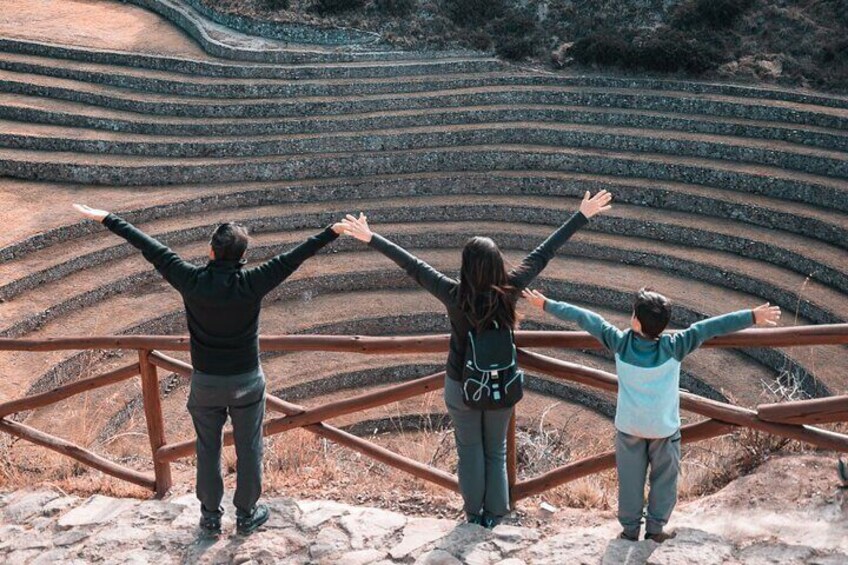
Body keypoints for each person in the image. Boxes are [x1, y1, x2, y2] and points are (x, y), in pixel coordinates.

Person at [339, 190, 613, 527]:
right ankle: (496, 515)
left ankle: (473, 515)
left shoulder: (454, 294)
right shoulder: (510, 290)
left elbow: (413, 266)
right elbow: (543, 254)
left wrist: (372, 238)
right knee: (496, 452)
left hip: (461, 384)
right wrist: (581, 215)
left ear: (466, 267)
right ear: (498, 264)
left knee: (469, 451)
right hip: (502, 386)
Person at [72, 204, 343, 535]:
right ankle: (246, 514)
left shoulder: (191, 280)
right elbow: (294, 257)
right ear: (242, 255)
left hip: (206, 383)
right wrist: (332, 232)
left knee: (208, 448)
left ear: (211, 251)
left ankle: (210, 517)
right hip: (246, 380)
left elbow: (149, 246)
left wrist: (107, 218)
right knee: (250, 448)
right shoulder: (254, 281)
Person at [523, 287, 781, 542]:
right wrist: (751, 316)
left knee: (630, 482)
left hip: (630, 428)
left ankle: (629, 530)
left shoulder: (620, 343)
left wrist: (547, 304)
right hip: (663, 430)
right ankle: (655, 529)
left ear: (635, 321)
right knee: (665, 481)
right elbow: (710, 327)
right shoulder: (674, 346)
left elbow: (585, 317)